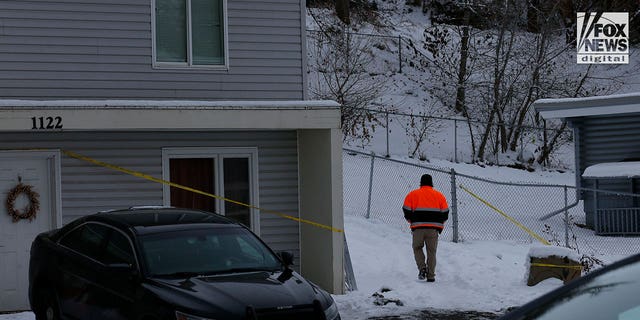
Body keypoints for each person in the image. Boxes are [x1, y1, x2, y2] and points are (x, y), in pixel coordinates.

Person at [402, 174, 449, 282]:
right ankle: (431, 276)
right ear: (431, 183)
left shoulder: (412, 194)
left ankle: (422, 268)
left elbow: (406, 209)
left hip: (418, 227)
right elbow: (445, 213)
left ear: (421, 182)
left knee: (417, 247)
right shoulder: (439, 195)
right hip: (433, 229)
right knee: (432, 251)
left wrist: (411, 221)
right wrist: (439, 223)